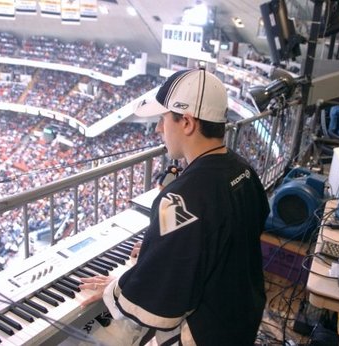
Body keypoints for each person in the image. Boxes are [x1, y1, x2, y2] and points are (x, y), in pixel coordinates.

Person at [77, 68, 270, 345]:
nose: (158, 129)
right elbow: (220, 239)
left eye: (163, 119)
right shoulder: (245, 171)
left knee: (94, 333)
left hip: (205, 333)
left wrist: (118, 289)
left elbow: (160, 294)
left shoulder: (181, 197)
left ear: (187, 123)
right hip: (243, 315)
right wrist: (162, 248)